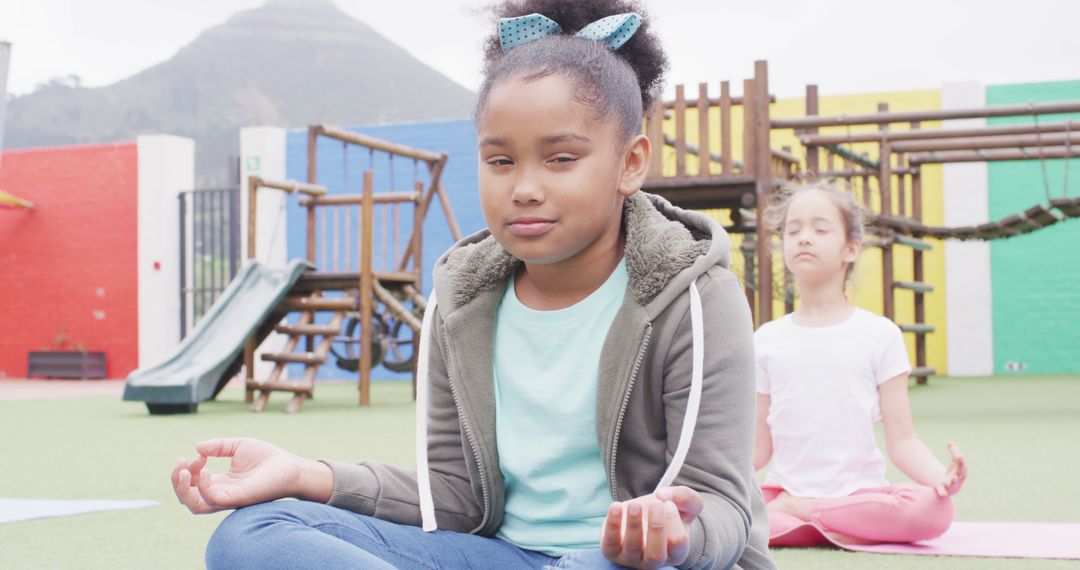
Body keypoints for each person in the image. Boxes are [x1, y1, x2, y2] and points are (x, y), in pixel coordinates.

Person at [172, 1, 775, 568]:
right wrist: (304, 474)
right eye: (501, 160)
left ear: (631, 162)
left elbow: (722, 505)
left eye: (561, 158)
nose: (525, 187)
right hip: (504, 556)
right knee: (252, 535)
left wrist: (676, 531)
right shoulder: (461, 300)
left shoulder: (695, 297)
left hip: (635, 564)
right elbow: (452, 499)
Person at [753, 181, 968, 547]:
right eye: (793, 230)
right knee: (724, 514)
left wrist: (941, 478)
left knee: (934, 510)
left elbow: (902, 441)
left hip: (859, 497)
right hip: (782, 495)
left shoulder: (879, 334)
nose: (804, 238)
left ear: (851, 248)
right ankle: (813, 521)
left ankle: (806, 515)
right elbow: (757, 448)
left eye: (820, 229)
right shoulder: (766, 340)